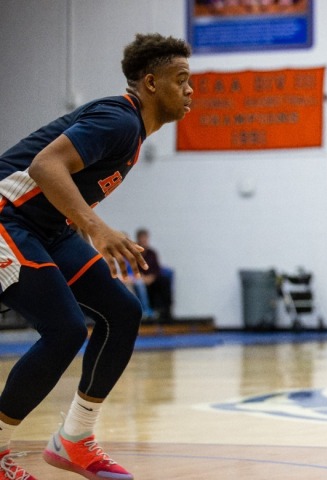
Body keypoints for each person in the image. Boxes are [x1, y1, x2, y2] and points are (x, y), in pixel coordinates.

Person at [0, 33, 192, 480]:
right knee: (65, 330)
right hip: (8, 216)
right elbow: (45, 166)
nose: (189, 90)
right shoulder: (119, 119)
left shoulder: (132, 133)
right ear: (150, 83)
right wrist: (97, 228)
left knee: (122, 311)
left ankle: (74, 438)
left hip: (47, 227)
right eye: (181, 79)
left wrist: (84, 228)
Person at [135, 228, 173, 321]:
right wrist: (142, 277)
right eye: (142, 239)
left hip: (152, 278)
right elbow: (133, 268)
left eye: (145, 238)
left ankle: (165, 310)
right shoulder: (135, 253)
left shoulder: (152, 253)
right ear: (138, 240)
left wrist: (152, 277)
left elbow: (157, 269)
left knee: (164, 281)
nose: (144, 241)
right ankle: (147, 311)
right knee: (140, 284)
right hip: (140, 278)